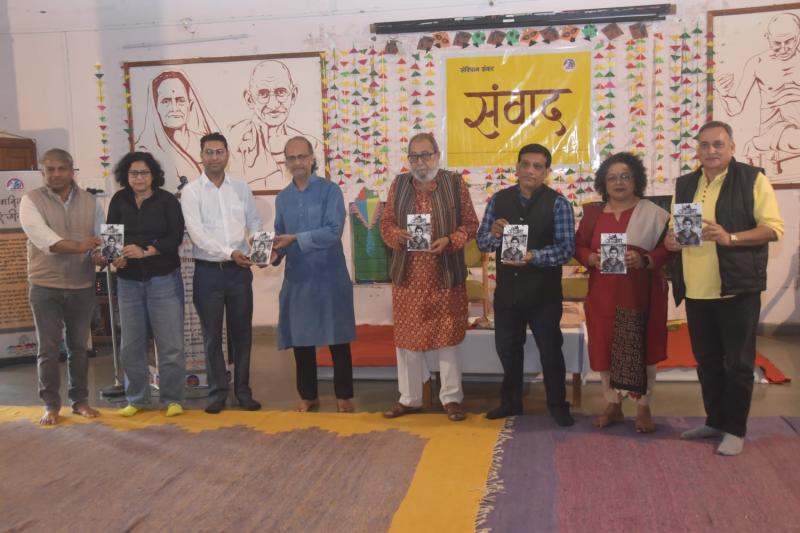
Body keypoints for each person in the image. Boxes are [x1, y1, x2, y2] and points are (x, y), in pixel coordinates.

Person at [665, 121, 784, 455]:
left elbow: (773, 229)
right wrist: (671, 241)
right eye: (704, 145)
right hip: (696, 289)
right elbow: (675, 229)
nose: (711, 151)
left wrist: (729, 237)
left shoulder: (752, 179)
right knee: (706, 362)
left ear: (731, 147)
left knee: (739, 364)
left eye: (718, 144)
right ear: (697, 150)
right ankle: (714, 420)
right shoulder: (686, 183)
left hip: (736, 288)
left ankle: (735, 429)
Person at [379, 132, 479, 422]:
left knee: (448, 340)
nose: (420, 162)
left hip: (444, 274)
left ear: (437, 155)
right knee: (407, 341)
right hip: (408, 276)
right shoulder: (399, 184)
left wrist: (450, 240)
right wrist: (397, 234)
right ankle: (409, 399)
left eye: (426, 155)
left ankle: (451, 398)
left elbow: (471, 224)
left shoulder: (454, 183)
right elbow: (385, 224)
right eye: (414, 156)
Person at [476, 143, 575, 426]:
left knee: (550, 352)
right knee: (508, 351)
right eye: (526, 164)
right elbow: (482, 242)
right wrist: (494, 234)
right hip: (507, 294)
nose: (531, 171)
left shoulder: (558, 204)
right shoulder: (499, 200)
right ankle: (511, 403)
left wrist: (534, 256)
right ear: (517, 168)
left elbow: (566, 249)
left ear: (546, 172)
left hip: (544, 295)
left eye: (537, 166)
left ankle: (558, 405)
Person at [574, 152, 671, 433]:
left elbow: (669, 248)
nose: (619, 182)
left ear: (636, 180)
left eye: (625, 176)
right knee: (604, 348)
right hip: (602, 294)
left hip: (641, 294)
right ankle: (613, 405)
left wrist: (644, 259)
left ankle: (644, 407)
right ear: (603, 183)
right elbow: (578, 245)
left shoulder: (654, 213)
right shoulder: (592, 214)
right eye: (612, 177)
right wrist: (590, 258)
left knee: (643, 349)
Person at [271, 136, 356, 413]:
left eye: (302, 156)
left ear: (311, 159)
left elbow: (333, 231)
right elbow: (280, 235)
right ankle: (308, 395)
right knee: (301, 339)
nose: (297, 162)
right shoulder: (282, 198)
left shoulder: (330, 191)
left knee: (337, 338)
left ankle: (344, 395)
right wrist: (273, 254)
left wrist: (295, 239)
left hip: (330, 276)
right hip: (298, 279)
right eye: (291, 158)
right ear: (286, 162)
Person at [181, 132, 264, 414]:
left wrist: (259, 247)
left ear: (228, 154)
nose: (214, 157)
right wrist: (231, 253)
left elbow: (254, 222)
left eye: (219, 152)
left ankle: (243, 391)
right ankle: (217, 392)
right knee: (212, 335)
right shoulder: (191, 192)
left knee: (242, 334)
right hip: (208, 274)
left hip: (239, 273)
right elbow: (197, 234)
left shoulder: (240, 187)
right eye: (209, 152)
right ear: (201, 156)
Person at [19, 148, 104, 425]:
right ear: (43, 172)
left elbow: (102, 238)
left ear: (71, 171)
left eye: (61, 169)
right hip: (45, 285)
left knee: (79, 347)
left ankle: (79, 401)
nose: (55, 174)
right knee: (48, 348)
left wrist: (101, 254)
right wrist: (82, 246)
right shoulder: (30, 201)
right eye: (49, 170)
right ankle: (50, 404)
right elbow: (46, 241)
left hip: (82, 284)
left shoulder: (91, 201)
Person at [105, 152, 186, 418]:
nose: (139, 178)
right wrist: (115, 257)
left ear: (153, 175)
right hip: (128, 283)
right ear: (125, 176)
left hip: (163, 279)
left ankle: (173, 398)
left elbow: (175, 236)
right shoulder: (119, 200)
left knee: (170, 344)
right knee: (131, 345)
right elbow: (111, 237)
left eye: (144, 172)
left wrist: (147, 251)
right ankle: (137, 398)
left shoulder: (167, 201)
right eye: (133, 173)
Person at [715, 13, 800, 171]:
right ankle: (757, 144)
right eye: (777, 43)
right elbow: (735, 108)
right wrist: (723, 94)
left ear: (798, 36)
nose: (783, 48)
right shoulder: (757, 63)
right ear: (768, 38)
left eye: (789, 41)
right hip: (777, 129)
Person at [229, 60, 323, 190]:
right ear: (249, 99)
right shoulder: (233, 142)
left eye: (281, 92)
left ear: (293, 95)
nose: (273, 104)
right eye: (263, 94)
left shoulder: (312, 145)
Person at [135, 70, 218, 192]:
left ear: (190, 105)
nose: (174, 108)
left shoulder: (206, 145)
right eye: (166, 101)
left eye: (180, 100)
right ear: (156, 107)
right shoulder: (145, 150)